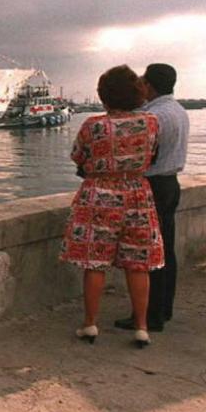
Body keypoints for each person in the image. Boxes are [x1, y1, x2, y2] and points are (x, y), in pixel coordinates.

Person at [60, 65, 164, 348]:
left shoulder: (93, 125)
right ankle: (141, 327)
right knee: (138, 264)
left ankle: (90, 324)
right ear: (137, 93)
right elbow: (154, 155)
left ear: (104, 95)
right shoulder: (151, 122)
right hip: (138, 194)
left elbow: (78, 156)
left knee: (95, 262)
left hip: (99, 195)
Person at [115, 64, 189, 332]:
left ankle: (149, 315)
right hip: (170, 182)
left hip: (153, 185)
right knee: (166, 249)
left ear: (149, 85)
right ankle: (163, 309)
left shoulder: (152, 116)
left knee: (149, 252)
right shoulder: (178, 111)